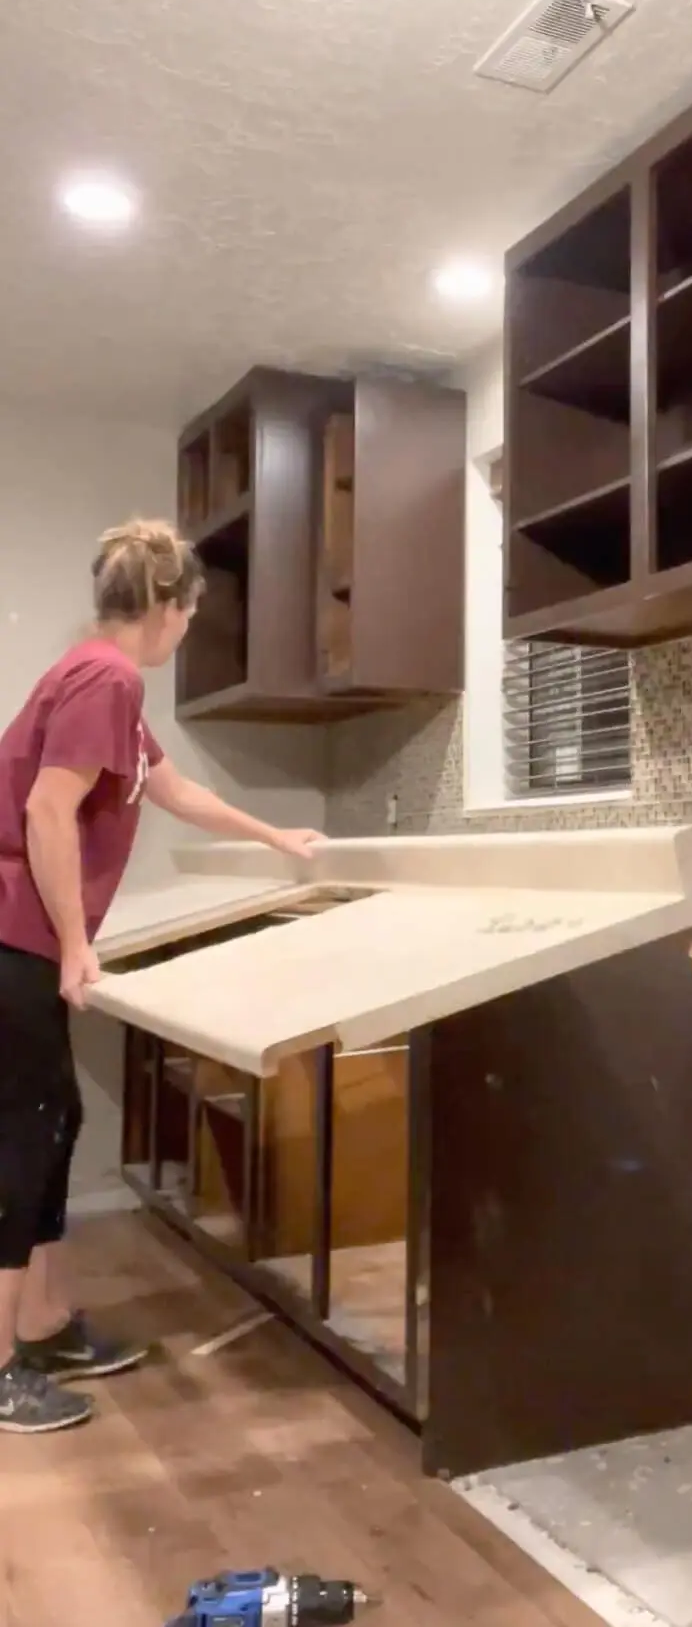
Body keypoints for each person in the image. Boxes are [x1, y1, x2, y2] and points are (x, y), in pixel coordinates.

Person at [0, 518, 323, 1434]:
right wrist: (74, 942)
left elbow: (174, 790)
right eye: (189, 613)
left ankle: (44, 1326)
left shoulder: (105, 683)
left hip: (24, 938)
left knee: (57, 1119)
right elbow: (47, 811)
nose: (186, 629)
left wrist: (274, 836)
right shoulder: (106, 677)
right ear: (169, 608)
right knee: (22, 1139)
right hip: (14, 936)